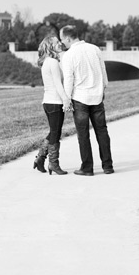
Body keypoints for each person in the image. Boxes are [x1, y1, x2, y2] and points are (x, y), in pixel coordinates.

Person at [60, 25, 114, 176]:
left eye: (62, 39)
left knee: (83, 134)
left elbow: (69, 79)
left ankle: (87, 168)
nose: (62, 42)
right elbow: (103, 71)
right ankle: (108, 165)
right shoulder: (95, 49)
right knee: (102, 132)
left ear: (68, 38)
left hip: (80, 98)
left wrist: (66, 99)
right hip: (97, 97)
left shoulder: (69, 55)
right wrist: (103, 88)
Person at [33, 34, 71, 176]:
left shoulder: (46, 62)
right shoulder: (53, 63)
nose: (59, 44)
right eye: (56, 42)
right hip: (55, 102)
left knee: (53, 132)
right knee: (56, 133)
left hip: (48, 102)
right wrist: (66, 100)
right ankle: (53, 164)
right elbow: (57, 84)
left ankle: (40, 158)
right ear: (50, 45)